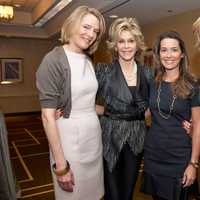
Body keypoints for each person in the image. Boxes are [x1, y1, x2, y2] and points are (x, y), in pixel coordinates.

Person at [36, 6, 105, 200]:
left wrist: (117, 111)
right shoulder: (53, 60)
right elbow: (47, 116)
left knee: (94, 195)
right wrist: (61, 166)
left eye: (96, 31)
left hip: (93, 138)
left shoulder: (88, 59)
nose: (91, 34)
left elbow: (87, 103)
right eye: (86, 27)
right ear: (72, 24)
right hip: (69, 142)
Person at [141, 31, 200, 200]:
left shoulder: (192, 85)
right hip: (153, 154)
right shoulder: (153, 82)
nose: (169, 55)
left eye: (174, 50)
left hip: (179, 157)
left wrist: (193, 164)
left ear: (182, 54)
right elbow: (145, 112)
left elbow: (197, 128)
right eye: (164, 50)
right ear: (158, 54)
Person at [95, 17, 149, 200]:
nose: (126, 46)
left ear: (137, 44)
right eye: (121, 41)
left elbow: (158, 104)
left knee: (127, 193)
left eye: (131, 41)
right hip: (110, 135)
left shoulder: (148, 73)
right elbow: (83, 99)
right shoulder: (102, 71)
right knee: (112, 193)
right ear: (115, 45)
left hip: (137, 136)